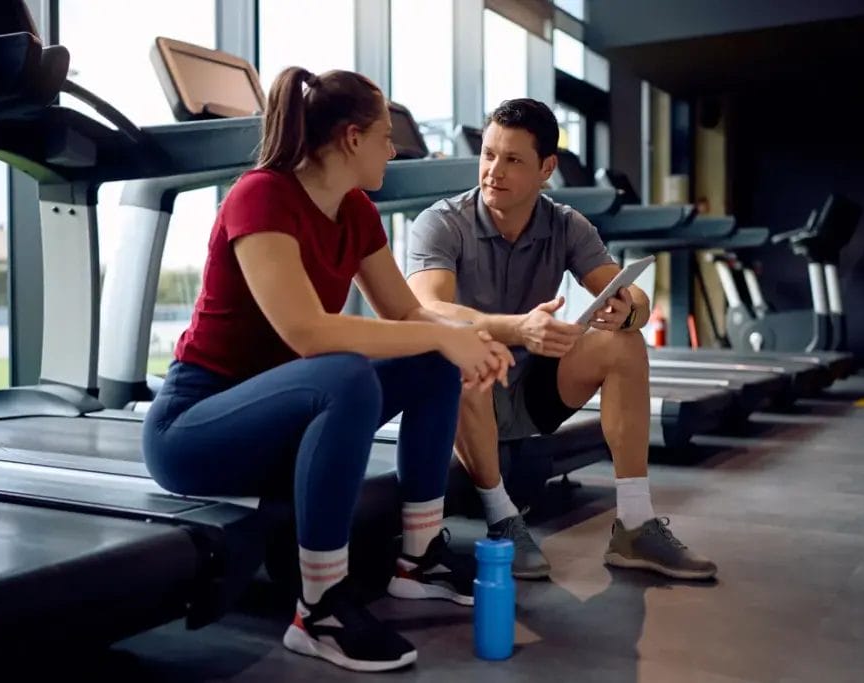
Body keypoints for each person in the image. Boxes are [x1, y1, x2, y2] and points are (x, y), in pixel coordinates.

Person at [142, 67, 513, 673]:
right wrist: (442, 337)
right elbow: (306, 332)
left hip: (282, 417)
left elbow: (406, 312)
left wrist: (468, 338)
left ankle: (417, 561)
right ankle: (318, 612)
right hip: (194, 429)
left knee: (427, 362)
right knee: (345, 373)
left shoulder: (356, 211)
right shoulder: (260, 195)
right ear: (350, 138)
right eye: (385, 137)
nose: (393, 150)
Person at [406, 98, 717, 582]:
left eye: (512, 160)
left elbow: (630, 290)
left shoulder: (567, 224)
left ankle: (635, 524)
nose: (493, 171)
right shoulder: (442, 222)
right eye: (489, 155)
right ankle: (502, 518)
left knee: (624, 342)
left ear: (546, 168)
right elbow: (430, 310)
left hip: (532, 390)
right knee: (457, 351)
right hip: (463, 396)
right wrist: (519, 328)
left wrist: (626, 308)